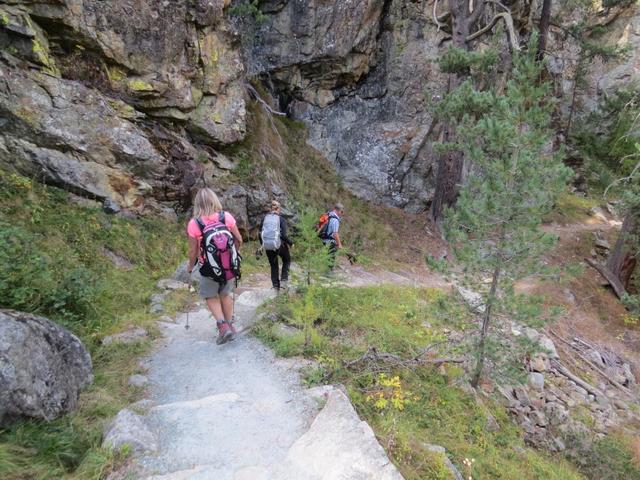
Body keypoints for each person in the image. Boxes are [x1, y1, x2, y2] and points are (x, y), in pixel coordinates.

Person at [187, 188, 243, 344]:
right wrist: (232, 256)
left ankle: (222, 326)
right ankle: (230, 326)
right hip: (229, 267)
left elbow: (193, 251)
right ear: (214, 200)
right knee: (225, 294)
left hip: (208, 268)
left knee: (211, 296)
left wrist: (191, 267)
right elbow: (239, 239)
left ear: (197, 203)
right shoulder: (226, 217)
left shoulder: (194, 223)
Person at [260, 200, 293, 290]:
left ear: (271, 209)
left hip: (268, 245)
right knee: (287, 260)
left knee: (273, 265)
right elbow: (283, 235)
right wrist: (290, 243)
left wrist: (263, 245)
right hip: (279, 245)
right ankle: (284, 281)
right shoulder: (281, 219)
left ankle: (275, 285)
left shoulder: (264, 218)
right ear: (278, 209)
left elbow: (260, 233)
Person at [322, 202, 344, 269]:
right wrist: (339, 244)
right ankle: (328, 274)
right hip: (330, 242)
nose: (342, 213)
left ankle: (324, 270)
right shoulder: (335, 219)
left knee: (326, 256)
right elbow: (335, 233)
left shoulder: (328, 215)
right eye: (341, 211)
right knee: (331, 258)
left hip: (324, 239)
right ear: (339, 210)